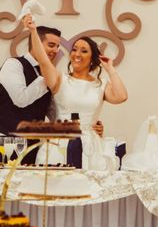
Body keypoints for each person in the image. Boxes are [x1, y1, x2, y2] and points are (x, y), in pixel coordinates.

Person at [0, 23, 104, 164]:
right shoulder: (14, 64)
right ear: (36, 43)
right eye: (51, 45)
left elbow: (56, 115)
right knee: (5, 185)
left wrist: (89, 126)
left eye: (57, 46)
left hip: (33, 145)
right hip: (6, 141)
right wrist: (45, 79)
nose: (55, 50)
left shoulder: (51, 76)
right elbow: (20, 99)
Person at [24, 14, 128, 170]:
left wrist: (110, 68)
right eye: (74, 49)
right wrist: (32, 31)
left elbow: (121, 96)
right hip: (59, 144)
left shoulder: (101, 84)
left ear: (93, 58)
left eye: (84, 51)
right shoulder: (60, 79)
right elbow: (43, 59)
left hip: (91, 146)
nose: (77, 54)